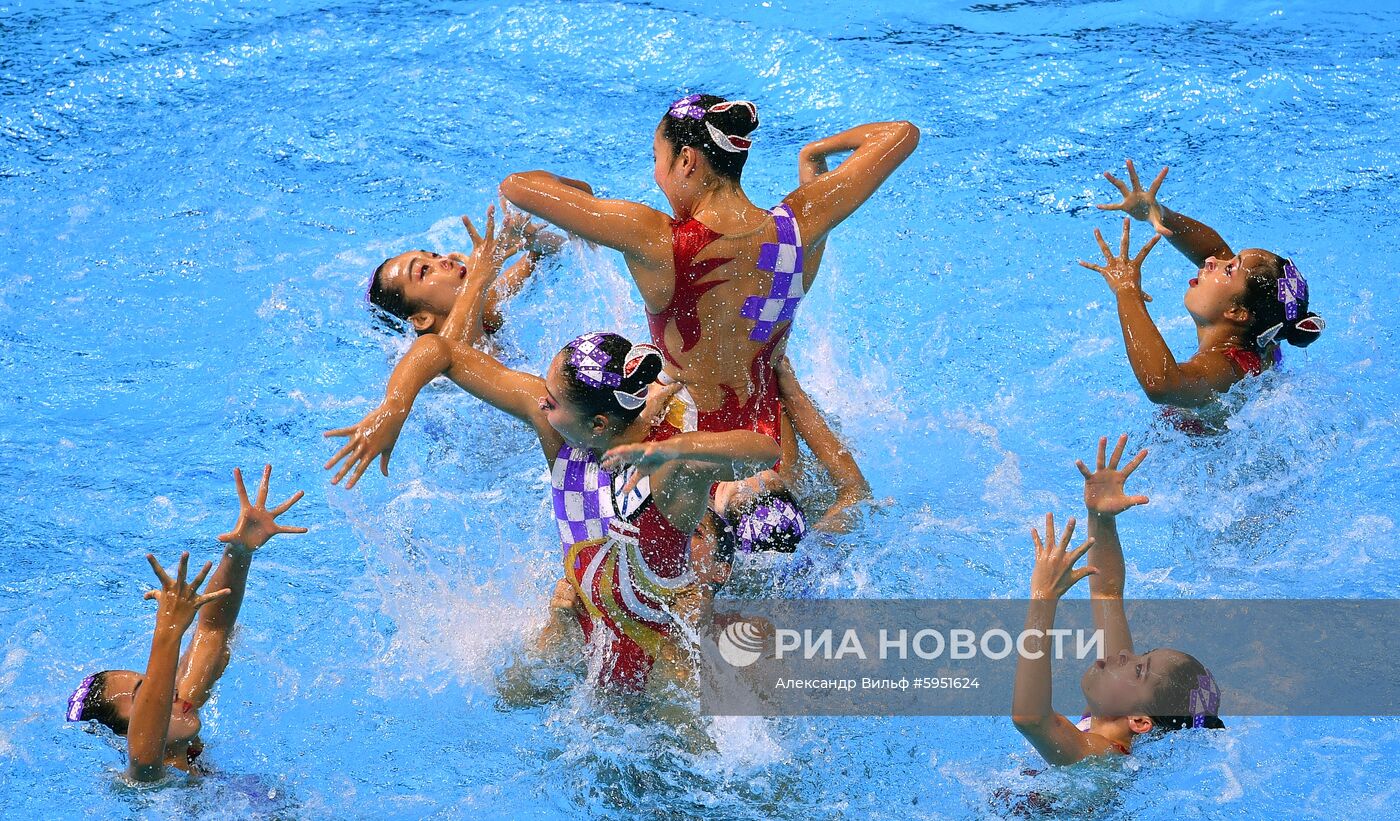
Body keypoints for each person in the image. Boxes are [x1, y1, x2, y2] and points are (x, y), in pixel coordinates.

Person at [324, 220, 779, 689]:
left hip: (665, 669)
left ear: (597, 424)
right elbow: (439, 350)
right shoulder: (561, 433)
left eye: (554, 400)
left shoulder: (665, 472)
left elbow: (764, 450)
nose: (539, 402)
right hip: (594, 627)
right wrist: (394, 408)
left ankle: (729, 524)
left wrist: (678, 451)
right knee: (508, 690)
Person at [499, 96, 919, 444]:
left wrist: (581, 192)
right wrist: (814, 152)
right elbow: (901, 133)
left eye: (656, 159)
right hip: (770, 441)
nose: (656, 175)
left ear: (686, 160)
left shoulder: (654, 238)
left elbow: (516, 186)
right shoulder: (799, 223)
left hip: (686, 450)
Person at [66, 467, 306, 781]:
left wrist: (240, 551)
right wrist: (168, 629)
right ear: (125, 733)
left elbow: (212, 629)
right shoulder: (146, 781)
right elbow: (144, 749)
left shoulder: (183, 709)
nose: (170, 692)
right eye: (149, 691)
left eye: (158, 684)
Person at [1011, 436, 1223, 765]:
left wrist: (1043, 599)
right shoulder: (1108, 719)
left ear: (1139, 722)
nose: (1123, 654)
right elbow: (1106, 592)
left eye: (1139, 670)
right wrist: (1101, 518)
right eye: (1140, 656)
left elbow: (1031, 719)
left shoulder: (1099, 755)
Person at [1082, 160, 1324, 416]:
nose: (1211, 261)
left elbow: (1163, 385)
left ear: (1238, 312)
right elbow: (1213, 250)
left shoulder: (1226, 368)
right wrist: (1159, 214)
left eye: (1229, 268)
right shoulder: (1267, 333)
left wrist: (1127, 292)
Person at [367, 204, 563, 337]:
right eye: (425, 270)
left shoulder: (487, 308)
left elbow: (553, 251)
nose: (446, 260)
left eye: (434, 255)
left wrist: (528, 240)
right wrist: (479, 277)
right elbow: (450, 349)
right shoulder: (437, 375)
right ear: (422, 319)